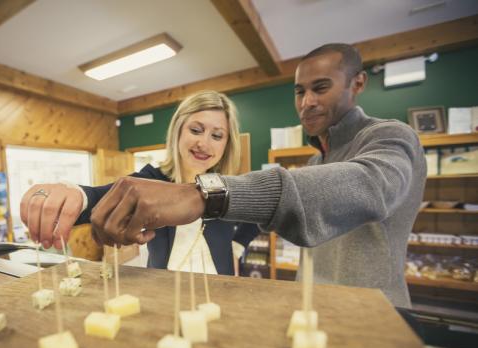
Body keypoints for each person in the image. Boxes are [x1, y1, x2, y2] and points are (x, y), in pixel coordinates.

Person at [88, 44, 427, 308]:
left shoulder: (391, 137)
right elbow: (105, 195)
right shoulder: (314, 163)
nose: (307, 102)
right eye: (299, 92)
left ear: (358, 83)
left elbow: (370, 186)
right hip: (313, 307)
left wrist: (204, 197)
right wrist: (75, 195)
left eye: (321, 88)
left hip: (375, 314)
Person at [20, 90, 259, 276]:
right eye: (196, 130)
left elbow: (263, 212)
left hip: (219, 291)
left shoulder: (228, 186)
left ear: (227, 144)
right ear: (178, 132)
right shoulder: (152, 180)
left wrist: (236, 247)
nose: (204, 144)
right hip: (165, 294)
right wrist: (76, 195)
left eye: (217, 135)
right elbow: (104, 197)